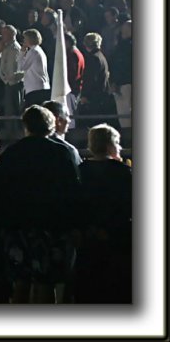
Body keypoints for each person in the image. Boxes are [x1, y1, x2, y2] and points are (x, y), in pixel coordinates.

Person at [0, 106, 81, 303]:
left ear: (26, 126)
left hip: (18, 226)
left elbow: (1, 189)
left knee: (21, 281)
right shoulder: (61, 153)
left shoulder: (11, 153)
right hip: (51, 226)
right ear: (50, 126)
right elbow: (71, 191)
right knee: (46, 282)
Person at [75, 124, 131, 303]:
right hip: (116, 234)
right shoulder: (122, 172)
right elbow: (127, 204)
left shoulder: (81, 170)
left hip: (88, 234)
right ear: (110, 145)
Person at [0, 25, 24, 137]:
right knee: (8, 108)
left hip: (14, 83)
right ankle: (10, 132)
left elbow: (18, 67)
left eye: (5, 33)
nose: (2, 36)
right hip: (7, 82)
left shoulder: (15, 48)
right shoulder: (6, 47)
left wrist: (11, 78)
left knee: (14, 108)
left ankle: (15, 133)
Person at [17, 29, 51, 107]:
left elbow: (21, 67)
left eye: (25, 38)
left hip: (35, 89)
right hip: (40, 87)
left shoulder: (33, 51)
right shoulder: (39, 50)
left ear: (30, 39)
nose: (24, 40)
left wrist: (22, 52)